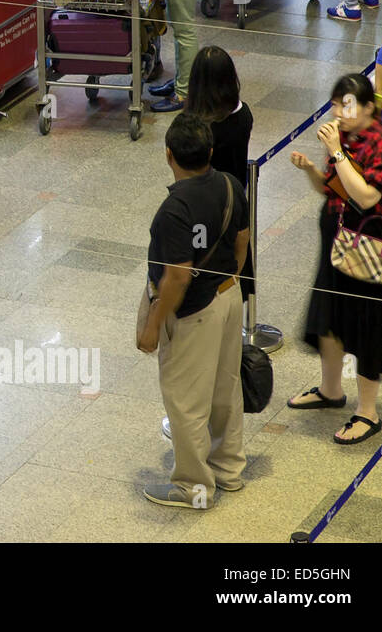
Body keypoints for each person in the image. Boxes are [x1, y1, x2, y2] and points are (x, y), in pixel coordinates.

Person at [138, 114, 249, 509]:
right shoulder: (231, 184)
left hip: (193, 312)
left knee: (185, 401)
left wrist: (153, 325)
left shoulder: (173, 211)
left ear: (169, 155)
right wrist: (227, 281)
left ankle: (193, 488)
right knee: (224, 388)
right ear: (211, 152)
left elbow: (177, 277)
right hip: (228, 297)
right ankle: (229, 469)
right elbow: (242, 240)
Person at [288, 73, 382, 445]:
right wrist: (311, 170)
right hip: (336, 240)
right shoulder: (346, 138)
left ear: (369, 108)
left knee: (366, 326)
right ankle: (330, 389)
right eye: (336, 104)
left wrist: (337, 152)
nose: (339, 112)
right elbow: (333, 188)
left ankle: (368, 412)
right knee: (328, 316)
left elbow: (367, 197)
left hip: (367, 248)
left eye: (347, 105)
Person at [184, 46, 254, 299]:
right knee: (237, 258)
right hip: (236, 198)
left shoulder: (197, 128)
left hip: (203, 207)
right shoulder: (243, 113)